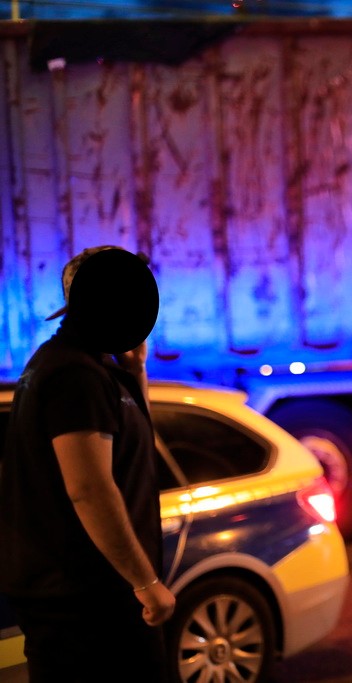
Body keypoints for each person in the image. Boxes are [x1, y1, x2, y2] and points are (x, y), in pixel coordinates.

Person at [0, 246, 173, 682]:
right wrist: (144, 582)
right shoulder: (72, 374)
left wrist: (137, 374)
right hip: (88, 605)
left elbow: (134, 456)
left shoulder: (94, 369)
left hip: (98, 599)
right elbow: (89, 488)